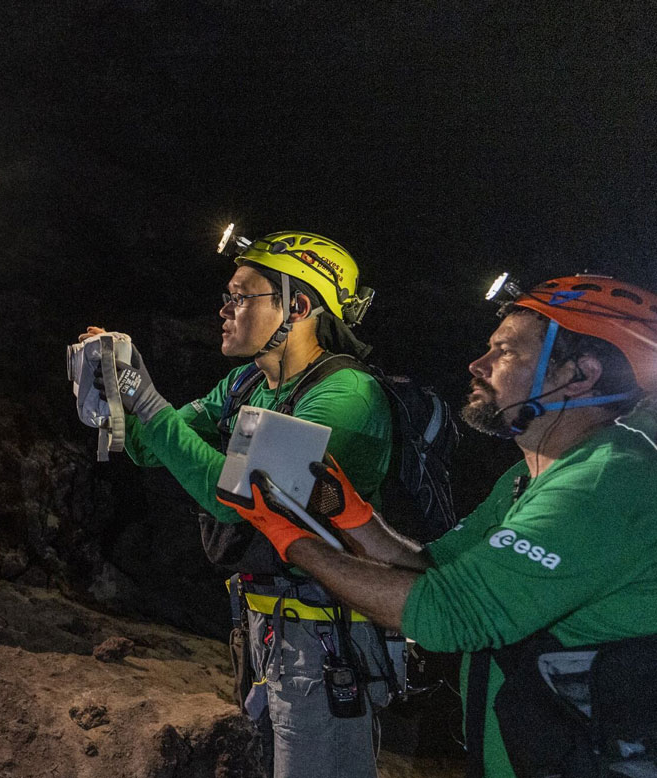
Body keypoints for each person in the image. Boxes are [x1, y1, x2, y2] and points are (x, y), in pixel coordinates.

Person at [219, 273, 657, 777]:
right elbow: (432, 569)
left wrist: (292, 542)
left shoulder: (604, 482)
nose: (478, 364)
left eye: (507, 352)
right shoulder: (529, 475)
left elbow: (448, 614)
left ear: (579, 375)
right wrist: (353, 516)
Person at [85, 231, 392, 778]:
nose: (224, 309)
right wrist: (117, 388)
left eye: (240, 296)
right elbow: (152, 449)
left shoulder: (346, 397)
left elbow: (240, 503)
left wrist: (145, 400)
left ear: (296, 307)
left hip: (328, 644)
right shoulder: (249, 381)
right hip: (267, 626)